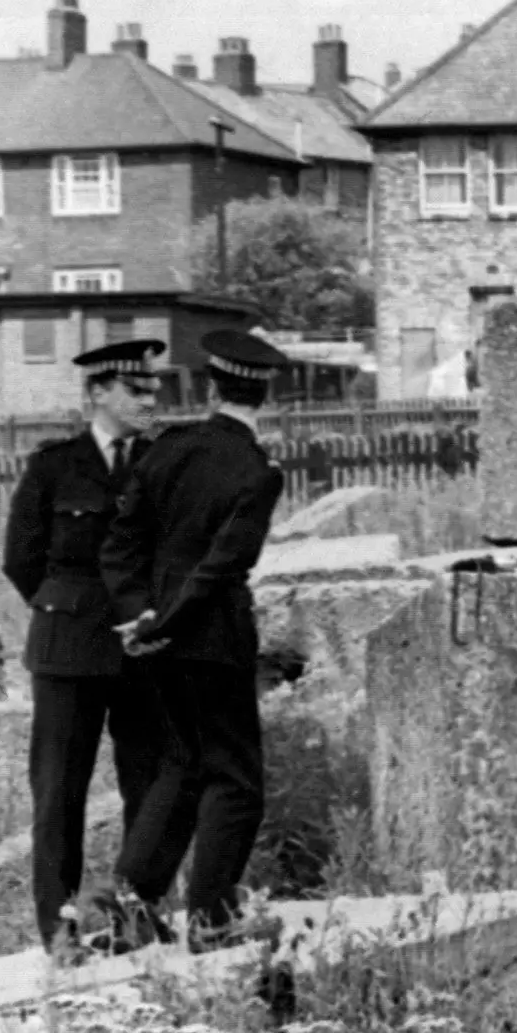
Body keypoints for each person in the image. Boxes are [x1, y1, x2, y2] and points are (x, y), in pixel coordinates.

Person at [100, 328, 291, 954]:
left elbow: (122, 541)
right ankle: (211, 920)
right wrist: (168, 621)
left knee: (180, 768)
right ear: (264, 393)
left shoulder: (168, 448)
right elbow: (221, 566)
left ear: (212, 386)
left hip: (153, 643)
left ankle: (131, 908)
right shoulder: (256, 471)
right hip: (211, 638)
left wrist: (139, 617)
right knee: (235, 780)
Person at [0, 339, 172, 962]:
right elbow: (21, 559)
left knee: (150, 786)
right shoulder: (55, 466)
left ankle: (136, 916)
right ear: (98, 393)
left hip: (144, 650)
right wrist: (69, 609)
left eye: (154, 391)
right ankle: (61, 929)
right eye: (135, 391)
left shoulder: (163, 462)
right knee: (58, 794)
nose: (149, 401)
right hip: (67, 650)